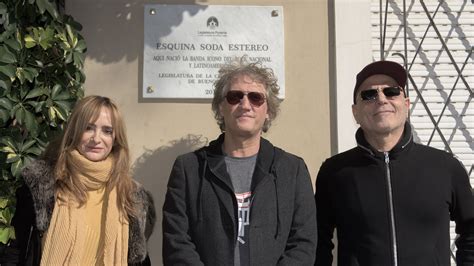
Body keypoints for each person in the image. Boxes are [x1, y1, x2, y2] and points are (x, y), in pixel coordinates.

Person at [314, 60, 474, 265]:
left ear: (406, 104)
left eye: (391, 91)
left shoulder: (445, 167)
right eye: (369, 94)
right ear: (355, 112)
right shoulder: (335, 172)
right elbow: (318, 239)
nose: (381, 99)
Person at [162, 58, 317, 265]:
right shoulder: (189, 168)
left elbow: (303, 244)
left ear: (268, 111)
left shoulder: (292, 170)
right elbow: (177, 242)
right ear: (220, 107)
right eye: (235, 97)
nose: (245, 105)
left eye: (256, 98)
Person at [9, 95, 156, 265]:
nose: (96, 138)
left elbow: (140, 260)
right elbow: (17, 249)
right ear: (75, 132)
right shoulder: (43, 184)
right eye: (88, 128)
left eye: (107, 131)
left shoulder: (132, 195)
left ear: (115, 139)